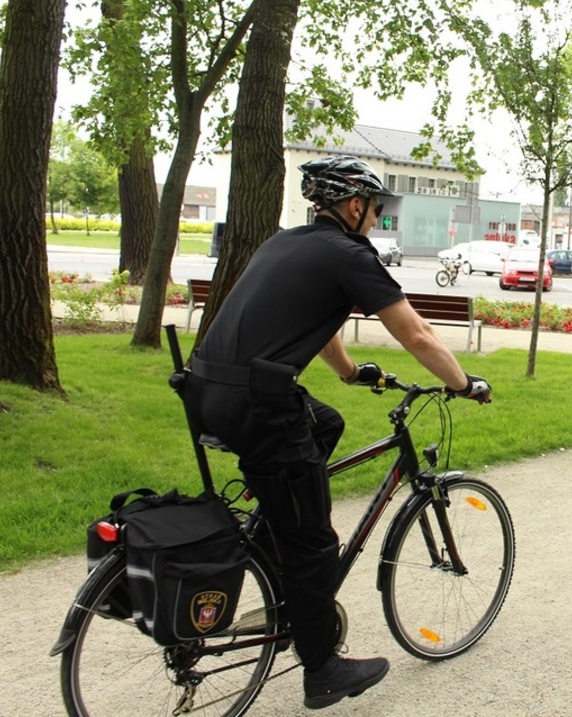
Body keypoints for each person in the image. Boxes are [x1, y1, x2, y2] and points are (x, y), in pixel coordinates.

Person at [182, 155, 491, 710]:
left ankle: (275, 524)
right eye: (374, 211)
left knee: (326, 421)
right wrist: (465, 383)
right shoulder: (350, 255)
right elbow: (417, 334)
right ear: (354, 206)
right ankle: (322, 668)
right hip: (258, 406)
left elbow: (318, 324)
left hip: (205, 393)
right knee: (315, 545)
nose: (374, 220)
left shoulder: (285, 243)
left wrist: (351, 373)